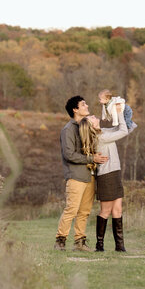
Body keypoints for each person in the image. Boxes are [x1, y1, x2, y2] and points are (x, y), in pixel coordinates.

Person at [54, 96, 108, 251]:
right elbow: (69, 155)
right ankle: (60, 241)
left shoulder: (87, 126)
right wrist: (92, 158)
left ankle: (79, 243)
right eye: (83, 104)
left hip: (90, 175)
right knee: (71, 210)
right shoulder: (68, 130)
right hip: (76, 176)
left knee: (84, 212)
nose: (87, 105)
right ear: (75, 109)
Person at [79, 104, 131, 252]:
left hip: (114, 173)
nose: (95, 117)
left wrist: (114, 110)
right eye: (92, 118)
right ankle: (99, 245)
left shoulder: (103, 132)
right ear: (91, 126)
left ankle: (119, 246)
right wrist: (119, 113)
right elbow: (123, 131)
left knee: (118, 210)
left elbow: (121, 127)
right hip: (106, 176)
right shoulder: (101, 137)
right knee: (106, 211)